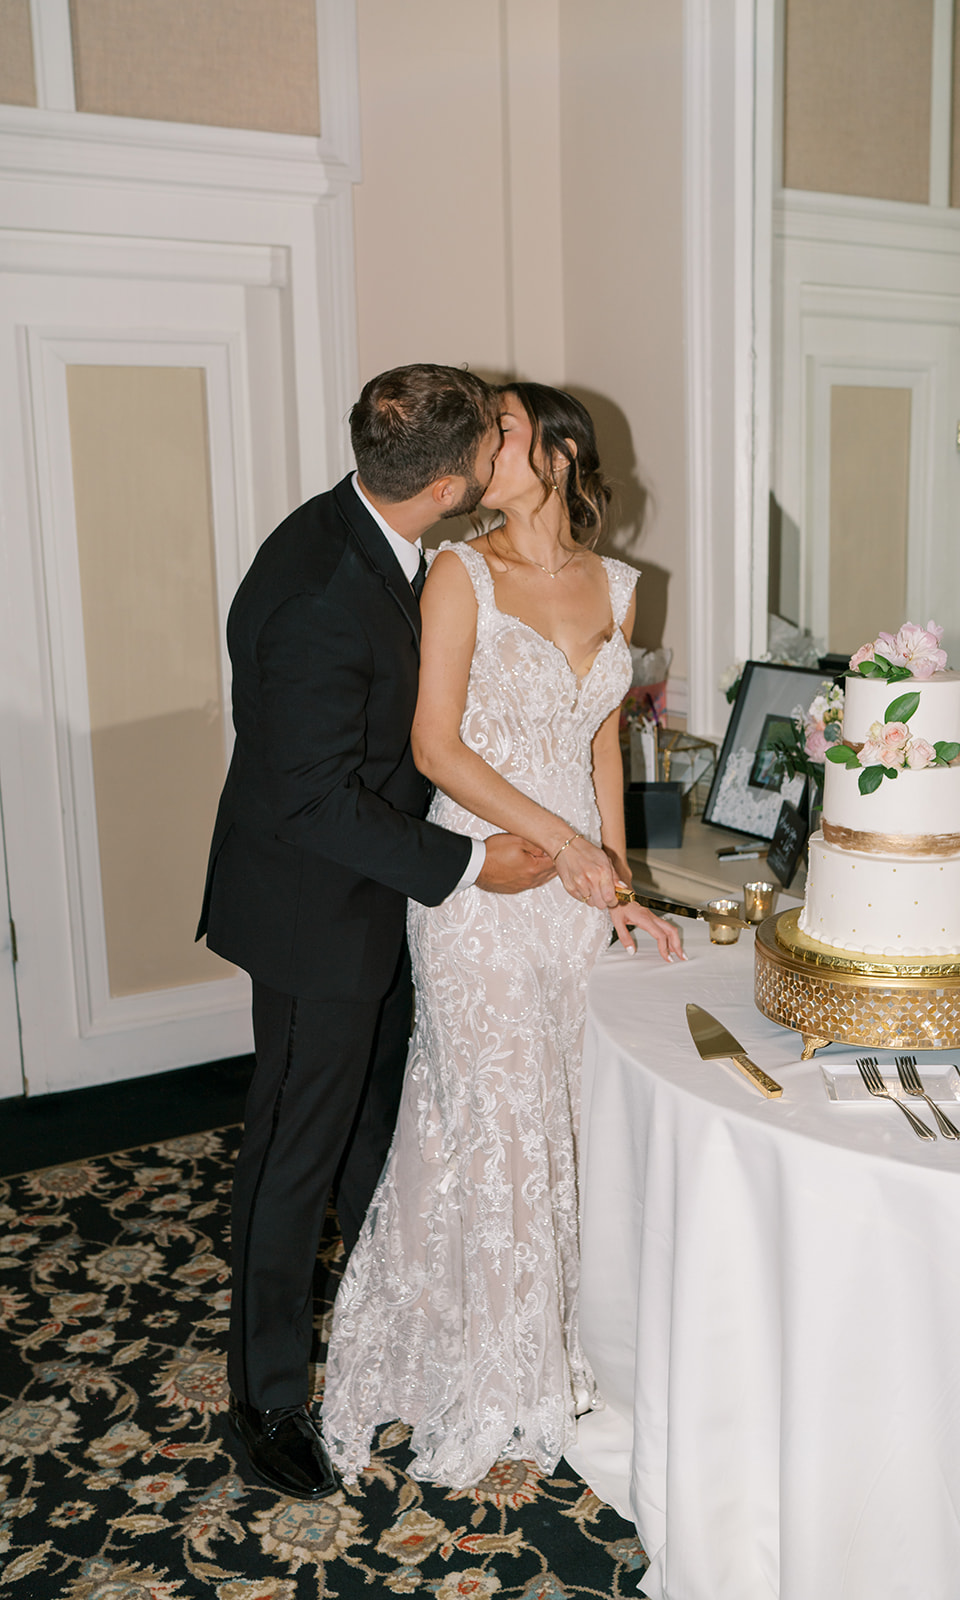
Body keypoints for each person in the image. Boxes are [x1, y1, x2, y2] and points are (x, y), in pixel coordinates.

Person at [196, 365, 594, 1502]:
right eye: (489, 447)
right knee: (293, 1157)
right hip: (315, 910)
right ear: (452, 483)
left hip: (391, 904)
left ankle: (403, 1339)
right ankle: (264, 1400)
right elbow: (316, 798)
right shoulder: (323, 582)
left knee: (385, 1134)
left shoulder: (377, 532)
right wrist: (472, 861)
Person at [322, 381, 683, 1490]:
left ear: (560, 454)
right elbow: (435, 747)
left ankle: (560, 1346)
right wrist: (556, 847)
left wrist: (612, 880)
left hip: (572, 897)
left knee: (560, 1118)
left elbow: (599, 753)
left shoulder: (620, 589)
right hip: (479, 890)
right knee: (486, 1112)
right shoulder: (457, 573)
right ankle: (483, 1364)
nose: (487, 447)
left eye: (508, 431)